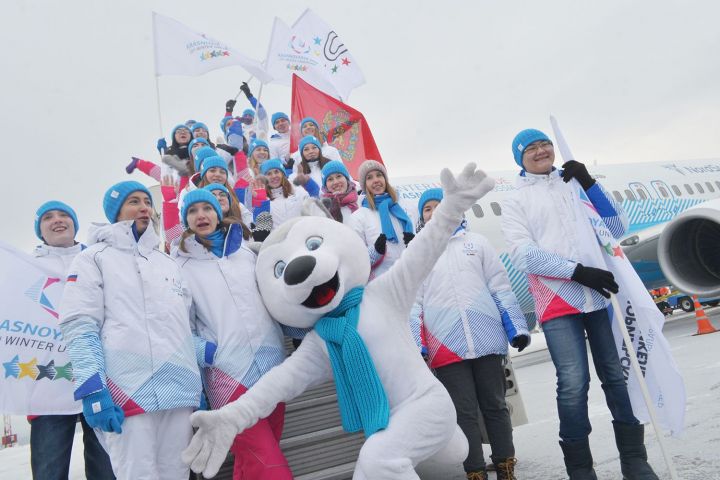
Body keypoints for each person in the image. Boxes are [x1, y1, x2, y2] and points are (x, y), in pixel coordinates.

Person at [501, 129, 658, 480]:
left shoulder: (574, 184)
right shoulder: (515, 200)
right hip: (557, 300)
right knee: (573, 383)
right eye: (531, 148)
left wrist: (589, 183)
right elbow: (523, 255)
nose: (540, 151)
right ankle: (580, 469)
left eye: (545, 144)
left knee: (616, 376)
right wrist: (575, 272)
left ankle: (634, 460)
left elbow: (616, 226)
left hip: (599, 297)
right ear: (519, 157)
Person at [59, 181, 202, 480]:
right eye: (134, 202)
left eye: (147, 201)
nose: (144, 208)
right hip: (127, 389)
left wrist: (197, 381)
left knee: (178, 473)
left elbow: (184, 327)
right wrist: (93, 389)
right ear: (116, 211)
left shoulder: (166, 262)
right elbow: (80, 326)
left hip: (178, 389)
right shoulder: (93, 258)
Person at [411, 189, 529, 480]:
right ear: (421, 218)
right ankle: (475, 471)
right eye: (427, 208)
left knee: (496, 406)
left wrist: (516, 326)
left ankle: (505, 467)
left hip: (486, 340)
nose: (434, 211)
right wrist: (418, 345)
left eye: (440, 205)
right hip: (446, 347)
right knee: (463, 413)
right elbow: (414, 305)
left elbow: (499, 286)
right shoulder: (418, 252)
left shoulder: (477, 243)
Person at [174, 188, 292, 479]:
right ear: (185, 220)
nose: (201, 215)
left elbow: (273, 298)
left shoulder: (245, 254)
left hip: (272, 369)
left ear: (219, 212)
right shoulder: (179, 266)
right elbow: (176, 327)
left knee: (252, 464)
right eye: (192, 210)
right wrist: (209, 352)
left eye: (207, 208)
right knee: (270, 467)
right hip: (229, 376)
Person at [29, 201, 115, 480]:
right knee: (49, 471)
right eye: (48, 218)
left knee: (106, 469)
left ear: (75, 224)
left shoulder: (97, 258)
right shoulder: (28, 267)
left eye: (64, 215)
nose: (57, 220)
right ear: (40, 229)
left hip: (99, 378)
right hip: (48, 385)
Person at [351, 160, 414, 278]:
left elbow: (422, 239)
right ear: (364, 185)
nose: (376, 180)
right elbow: (356, 261)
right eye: (369, 178)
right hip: (382, 283)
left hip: (411, 277)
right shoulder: (359, 216)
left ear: (385, 179)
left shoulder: (405, 206)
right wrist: (375, 252)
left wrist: (415, 243)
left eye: (379, 175)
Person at [261, 158, 310, 229]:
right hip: (279, 239)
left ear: (283, 174)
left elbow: (311, 211)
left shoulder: (298, 191)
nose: (274, 176)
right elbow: (262, 227)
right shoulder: (264, 200)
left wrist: (309, 183)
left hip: (300, 236)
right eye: (269, 174)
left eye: (276, 172)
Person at [319, 160, 359, 225]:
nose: (336, 182)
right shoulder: (322, 210)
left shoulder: (362, 202)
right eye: (330, 179)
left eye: (339, 176)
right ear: (326, 186)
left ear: (346, 179)